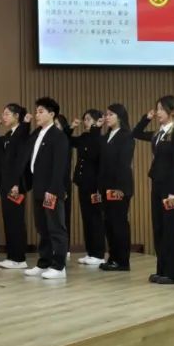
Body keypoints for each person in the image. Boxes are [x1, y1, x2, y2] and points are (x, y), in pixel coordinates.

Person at [132, 96, 174, 285]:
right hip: (158, 186)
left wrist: (172, 192)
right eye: (157, 109)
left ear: (172, 111)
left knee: (173, 231)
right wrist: (146, 118)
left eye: (161, 109)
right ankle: (162, 270)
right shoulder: (159, 134)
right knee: (160, 230)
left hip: (172, 189)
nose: (158, 113)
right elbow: (136, 133)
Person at [21, 97, 70, 280]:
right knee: (42, 228)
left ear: (52, 114)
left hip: (51, 190)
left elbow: (59, 167)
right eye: (36, 111)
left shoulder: (58, 136)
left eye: (41, 111)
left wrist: (53, 190)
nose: (37, 114)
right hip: (38, 187)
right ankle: (44, 263)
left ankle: (59, 266)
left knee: (56, 228)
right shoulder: (37, 134)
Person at [0, 104, 31, 270]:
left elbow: (21, 161)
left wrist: (17, 184)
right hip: (6, 183)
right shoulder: (9, 134)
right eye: (3, 114)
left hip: (15, 185)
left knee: (16, 220)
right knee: (9, 220)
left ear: (17, 116)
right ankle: (12, 256)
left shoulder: (21, 133)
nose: (4, 117)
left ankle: (19, 258)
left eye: (7, 114)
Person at [98, 104, 134, 272]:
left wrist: (119, 187)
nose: (107, 117)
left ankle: (122, 261)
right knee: (109, 224)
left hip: (119, 187)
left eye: (110, 114)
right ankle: (113, 258)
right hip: (106, 187)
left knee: (119, 224)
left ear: (119, 116)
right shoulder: (106, 136)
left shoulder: (126, 136)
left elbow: (124, 163)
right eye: (106, 114)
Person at [69, 109, 104, 266]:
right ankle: (90, 252)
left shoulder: (100, 138)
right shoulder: (84, 137)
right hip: (82, 182)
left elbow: (94, 152)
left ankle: (98, 254)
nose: (85, 122)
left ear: (97, 121)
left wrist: (96, 128)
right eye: (85, 119)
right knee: (86, 218)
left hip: (94, 185)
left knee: (95, 219)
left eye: (89, 119)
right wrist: (71, 127)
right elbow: (68, 140)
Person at [54, 113, 75, 255]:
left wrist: (63, 188)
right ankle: (53, 247)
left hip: (63, 184)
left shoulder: (65, 141)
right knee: (51, 217)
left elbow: (65, 167)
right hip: (50, 184)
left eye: (56, 125)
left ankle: (64, 248)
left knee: (63, 216)